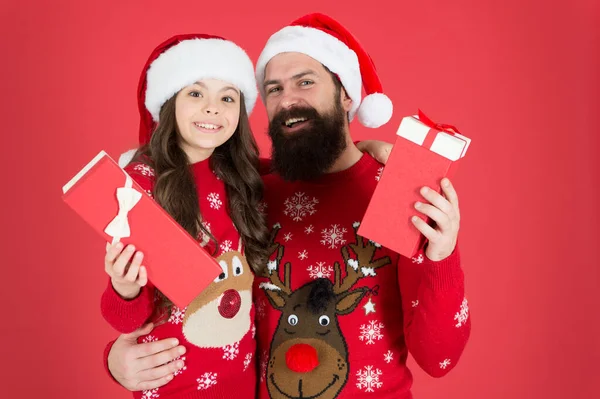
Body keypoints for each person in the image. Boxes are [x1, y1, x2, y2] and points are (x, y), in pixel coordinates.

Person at [105, 13, 471, 399]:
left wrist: (442, 256)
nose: (288, 100)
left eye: (305, 82)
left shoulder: (396, 192)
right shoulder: (247, 191)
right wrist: (116, 359)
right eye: (274, 89)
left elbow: (439, 358)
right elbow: (177, 300)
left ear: (346, 92)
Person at [100, 33, 270, 399]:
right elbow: (125, 321)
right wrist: (124, 287)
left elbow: (318, 172)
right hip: (174, 385)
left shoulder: (247, 177)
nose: (212, 108)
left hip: (241, 387)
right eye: (195, 93)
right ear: (168, 101)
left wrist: (370, 146)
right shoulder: (139, 185)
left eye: (227, 97)